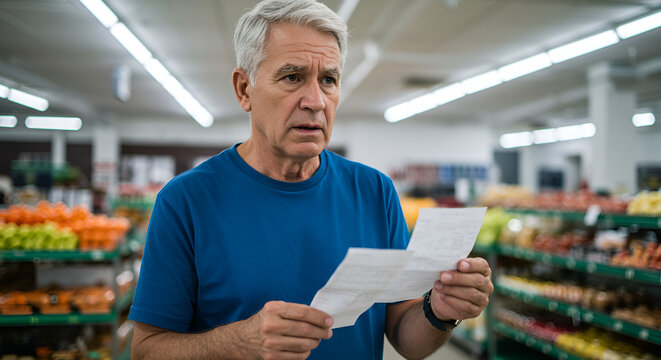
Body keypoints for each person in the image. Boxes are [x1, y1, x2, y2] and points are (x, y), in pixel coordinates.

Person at [129, 0, 494, 358]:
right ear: (244, 90)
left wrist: (440, 310)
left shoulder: (374, 191)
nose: (316, 101)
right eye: (293, 77)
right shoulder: (186, 200)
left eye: (329, 80)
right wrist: (238, 343)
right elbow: (146, 350)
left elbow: (404, 336)